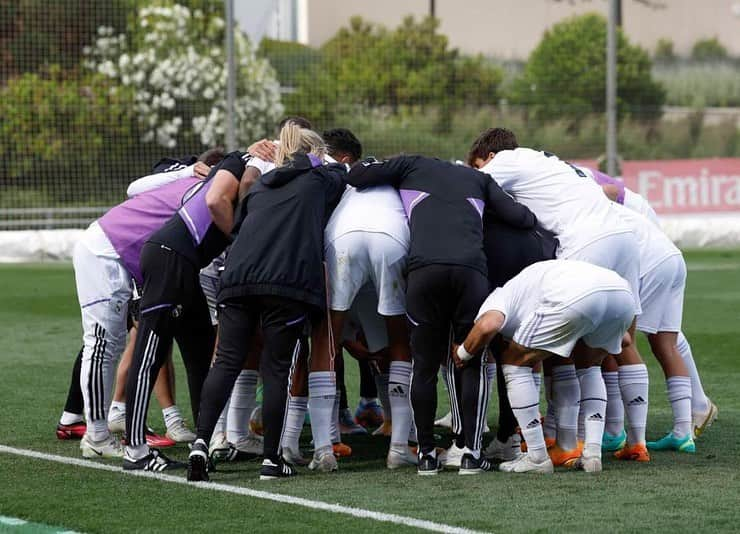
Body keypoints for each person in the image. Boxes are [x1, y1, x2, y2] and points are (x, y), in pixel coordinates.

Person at [346, 154, 537, 475]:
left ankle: (425, 455)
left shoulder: (411, 164)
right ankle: (471, 454)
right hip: (471, 272)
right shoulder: (480, 179)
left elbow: (358, 176)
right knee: (470, 360)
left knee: (424, 364)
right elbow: (523, 218)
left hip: (424, 272)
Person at [187, 123, 345, 481]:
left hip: (237, 276)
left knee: (226, 360)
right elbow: (340, 170)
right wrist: (316, 156)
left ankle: (201, 442)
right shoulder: (321, 180)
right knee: (275, 369)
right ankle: (272, 460)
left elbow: (240, 223)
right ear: (314, 156)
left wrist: (268, 151)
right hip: (286, 283)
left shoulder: (258, 187)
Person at [68, 152, 217, 458]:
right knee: (101, 344)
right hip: (106, 251)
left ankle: (104, 428)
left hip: (122, 255)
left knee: (116, 343)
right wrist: (187, 171)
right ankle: (96, 436)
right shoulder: (199, 185)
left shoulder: (206, 189)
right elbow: (135, 187)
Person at [122, 148, 253, 471]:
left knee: (201, 350)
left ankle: (203, 442)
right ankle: (135, 450)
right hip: (170, 258)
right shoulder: (237, 164)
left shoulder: (239, 171)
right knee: (150, 352)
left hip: (186, 264)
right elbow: (214, 201)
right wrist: (240, 239)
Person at [457, 260, 636, 474]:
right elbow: (625, 341)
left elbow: (488, 326)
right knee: (590, 366)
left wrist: (463, 353)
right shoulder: (525, 288)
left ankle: (537, 457)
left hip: (576, 296)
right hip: (622, 293)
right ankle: (592, 454)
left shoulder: (498, 298)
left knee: (514, 360)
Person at [321, 129, 416, 470]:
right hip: (391, 235)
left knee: (326, 343)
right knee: (399, 341)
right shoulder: (400, 177)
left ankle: (326, 444)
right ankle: (402, 443)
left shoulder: (340, 177)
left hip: (341, 237)